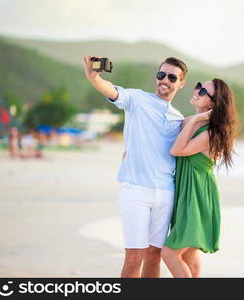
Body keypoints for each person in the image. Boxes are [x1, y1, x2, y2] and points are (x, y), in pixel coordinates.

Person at [83, 56, 187, 278]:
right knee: (134, 258)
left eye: (171, 77)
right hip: (136, 190)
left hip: (166, 193)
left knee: (154, 255)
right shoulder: (137, 99)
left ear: (181, 83)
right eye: (161, 75)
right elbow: (112, 91)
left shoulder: (179, 119)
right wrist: (95, 78)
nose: (164, 80)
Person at [161, 79, 239, 277]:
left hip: (198, 195)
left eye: (203, 91)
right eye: (198, 85)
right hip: (186, 192)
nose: (197, 91)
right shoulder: (187, 122)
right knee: (188, 255)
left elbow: (177, 150)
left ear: (212, 104)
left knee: (170, 253)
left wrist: (197, 120)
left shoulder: (211, 132)